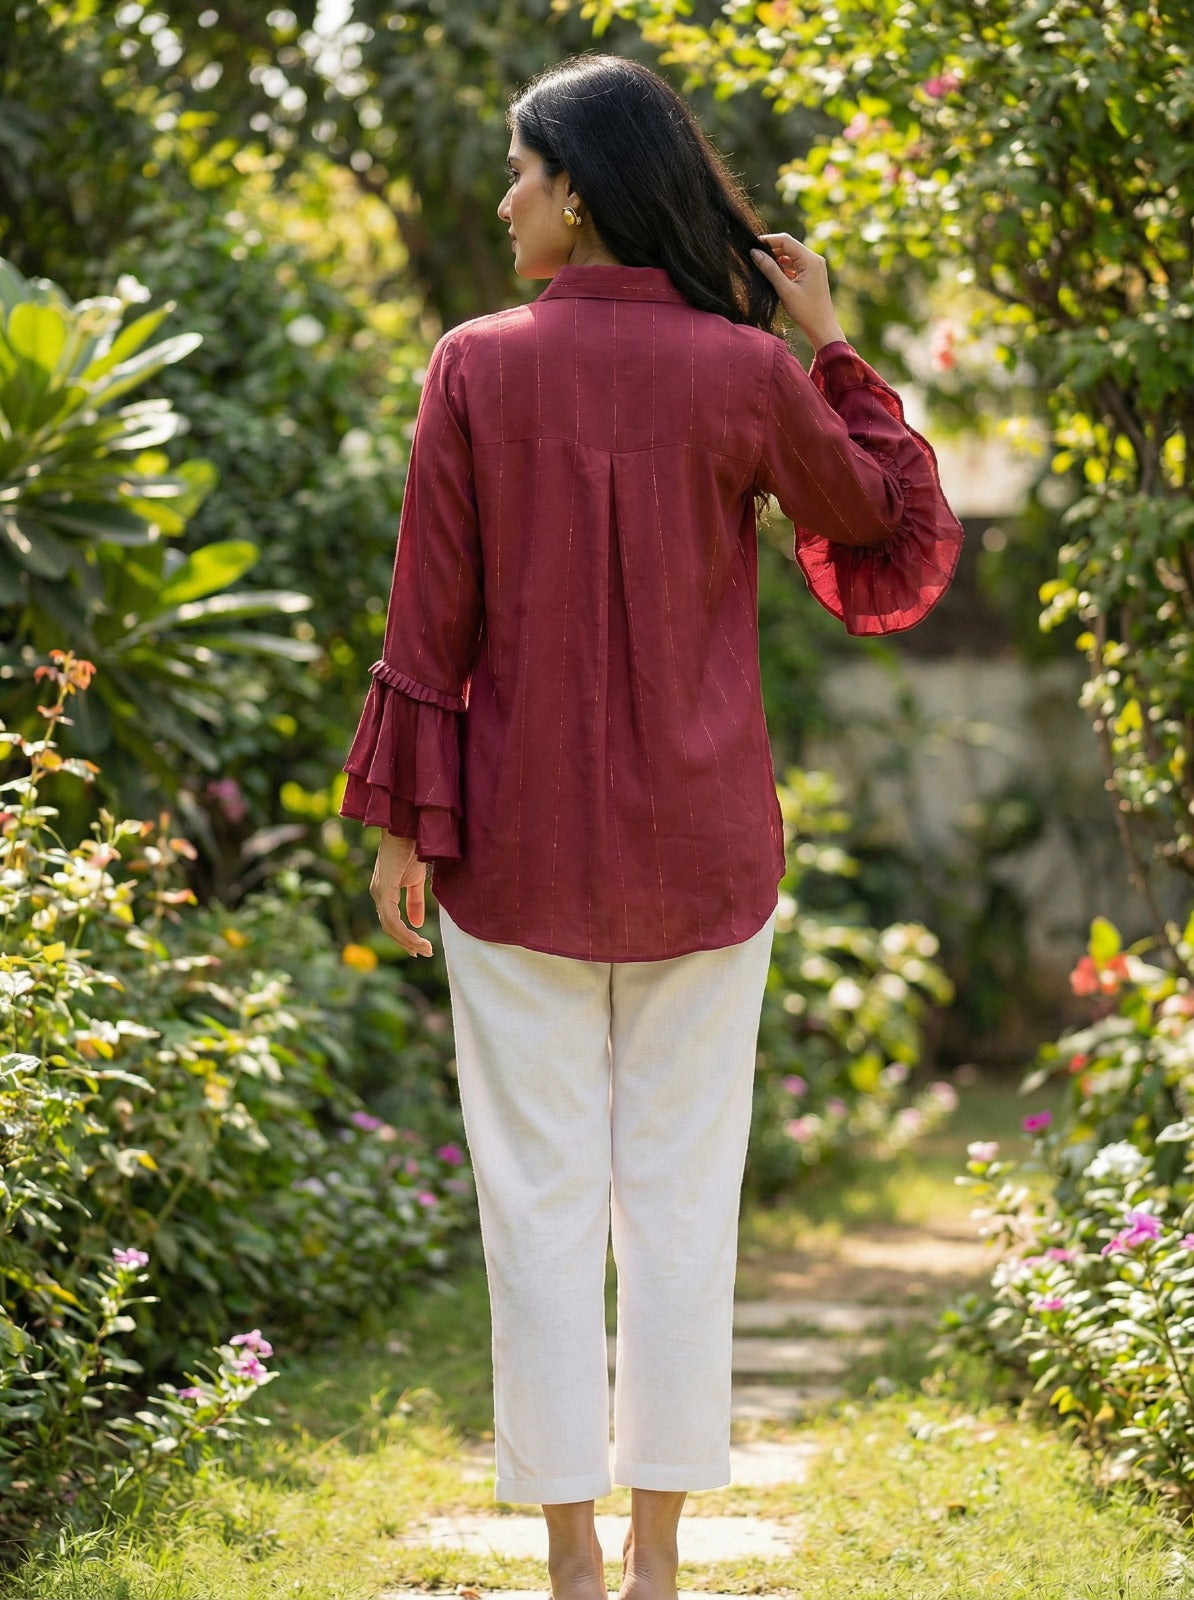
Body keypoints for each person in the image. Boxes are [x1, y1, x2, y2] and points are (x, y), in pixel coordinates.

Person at [339, 50, 963, 1600]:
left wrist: (400, 827)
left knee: (537, 1202)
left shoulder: (473, 363)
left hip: (511, 852)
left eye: (517, 172)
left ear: (576, 189)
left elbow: (432, 618)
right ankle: (661, 1565)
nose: (503, 201)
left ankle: (567, 1562)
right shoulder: (748, 372)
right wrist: (829, 342)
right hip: (706, 853)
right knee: (683, 1202)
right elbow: (880, 524)